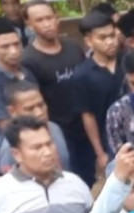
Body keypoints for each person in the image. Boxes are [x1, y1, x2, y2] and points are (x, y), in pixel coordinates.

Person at [20, 0, 91, 184]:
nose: (46, 24)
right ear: (29, 24)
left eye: (49, 18)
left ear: (57, 18)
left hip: (84, 125)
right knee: (66, 179)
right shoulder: (29, 59)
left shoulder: (73, 47)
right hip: (58, 131)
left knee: (89, 176)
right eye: (40, 20)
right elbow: (34, 100)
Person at [74, 12, 126, 177]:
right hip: (110, 141)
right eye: (102, 38)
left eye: (112, 35)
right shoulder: (83, 74)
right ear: (89, 41)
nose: (110, 42)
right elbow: (87, 115)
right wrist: (100, 152)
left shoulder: (128, 61)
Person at [0, 80, 70, 173]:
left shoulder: (55, 128)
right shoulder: (10, 148)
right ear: (12, 111)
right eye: (30, 109)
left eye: (41, 105)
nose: (39, 113)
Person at [0, 18, 28, 160]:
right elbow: (6, 126)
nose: (13, 51)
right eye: (5, 47)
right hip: (11, 149)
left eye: (16, 44)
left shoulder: (28, 72)